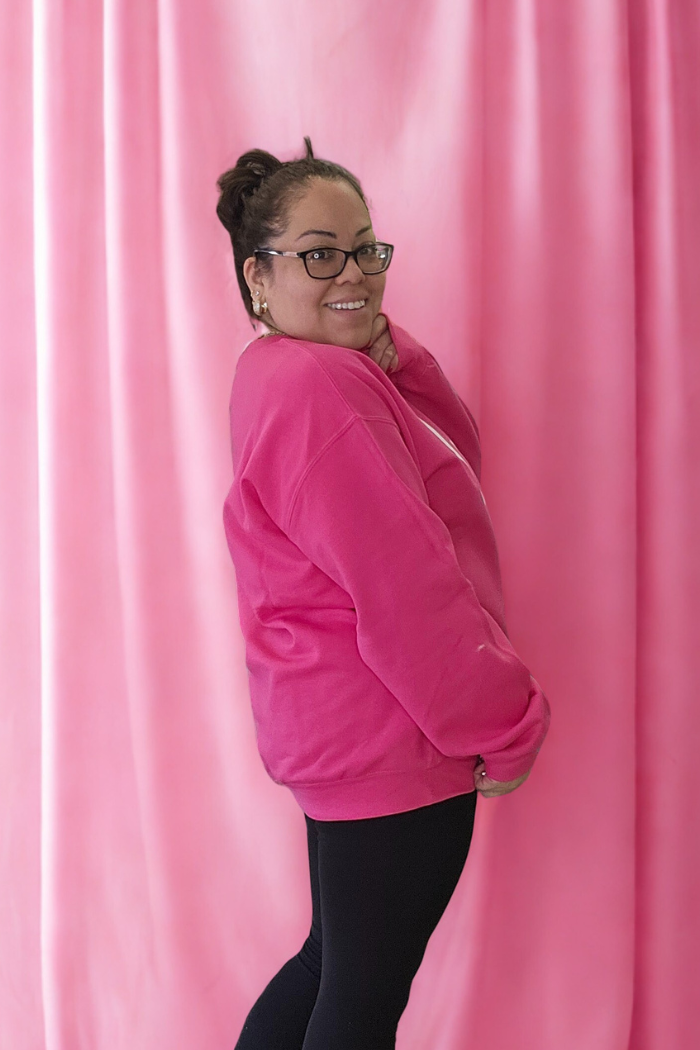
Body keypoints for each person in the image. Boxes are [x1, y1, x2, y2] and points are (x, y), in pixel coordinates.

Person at [215, 137, 551, 1050]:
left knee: (332, 969)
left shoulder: (280, 369)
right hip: (394, 735)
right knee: (358, 1004)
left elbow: (449, 463)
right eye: (320, 254)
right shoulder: (322, 389)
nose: (355, 272)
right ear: (258, 275)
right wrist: (505, 722)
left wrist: (397, 359)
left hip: (340, 732)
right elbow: (409, 588)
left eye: (365, 248)